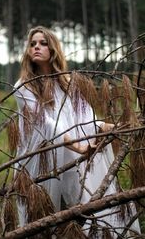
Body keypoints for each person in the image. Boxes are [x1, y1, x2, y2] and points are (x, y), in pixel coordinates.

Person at [13, 26, 140, 237]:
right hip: (40, 154)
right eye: (32, 43)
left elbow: (84, 117)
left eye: (43, 43)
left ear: (53, 49)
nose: (36, 47)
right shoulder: (23, 86)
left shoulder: (67, 82)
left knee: (76, 208)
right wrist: (78, 146)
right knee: (44, 213)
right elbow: (46, 123)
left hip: (70, 152)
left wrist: (107, 127)